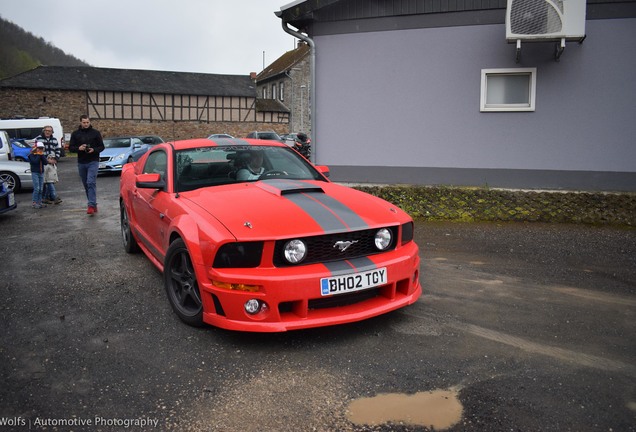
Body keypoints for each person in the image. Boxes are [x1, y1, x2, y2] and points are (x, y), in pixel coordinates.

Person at [68, 115, 104, 215]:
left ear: (89, 122)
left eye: (87, 122)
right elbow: (71, 148)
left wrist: (94, 149)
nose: (86, 124)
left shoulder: (95, 133)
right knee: (86, 184)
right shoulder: (75, 134)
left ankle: (91, 205)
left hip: (93, 160)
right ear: (80, 122)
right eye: (84, 122)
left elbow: (102, 146)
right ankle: (93, 203)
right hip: (81, 162)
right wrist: (78, 148)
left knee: (90, 182)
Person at [35, 125, 62, 203]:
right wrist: (46, 160)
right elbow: (37, 151)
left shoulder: (54, 140)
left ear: (52, 132)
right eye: (46, 130)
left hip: (52, 163)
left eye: (49, 131)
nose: (47, 132)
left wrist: (56, 159)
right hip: (43, 162)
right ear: (43, 131)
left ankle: (46, 197)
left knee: (51, 180)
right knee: (46, 180)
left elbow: (57, 150)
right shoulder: (39, 139)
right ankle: (53, 196)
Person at [27, 142, 48, 209]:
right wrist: (39, 155)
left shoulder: (41, 155)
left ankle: (39, 202)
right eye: (39, 148)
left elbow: (45, 162)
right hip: (35, 172)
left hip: (41, 172)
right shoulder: (31, 155)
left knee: (41, 189)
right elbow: (35, 162)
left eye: (42, 148)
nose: (40, 149)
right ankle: (34, 202)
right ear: (36, 148)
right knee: (37, 188)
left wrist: (41, 155)